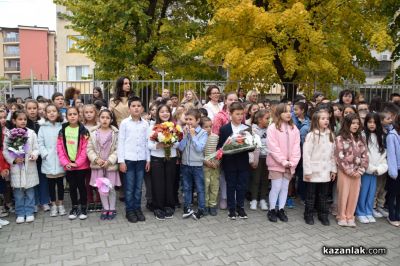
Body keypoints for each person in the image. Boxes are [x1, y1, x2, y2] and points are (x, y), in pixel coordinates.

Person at [117, 96, 150, 223]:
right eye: (133, 106)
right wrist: (121, 161)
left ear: (142, 108)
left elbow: (147, 143)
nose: (136, 108)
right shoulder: (125, 123)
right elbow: (121, 142)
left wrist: (148, 160)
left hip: (141, 160)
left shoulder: (145, 124)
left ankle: (137, 209)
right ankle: (129, 210)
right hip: (128, 160)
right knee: (129, 187)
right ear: (129, 108)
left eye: (138, 106)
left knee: (139, 187)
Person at [266, 103, 301, 223]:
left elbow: (297, 147)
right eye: (285, 111)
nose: (288, 114)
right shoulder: (272, 128)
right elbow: (273, 147)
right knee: (276, 187)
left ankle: (281, 209)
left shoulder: (294, 128)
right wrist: (282, 161)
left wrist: (293, 162)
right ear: (279, 113)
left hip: (290, 164)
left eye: (289, 111)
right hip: (277, 164)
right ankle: (271, 209)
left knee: (285, 187)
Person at [3, 110, 39, 224]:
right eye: (20, 119)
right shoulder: (9, 134)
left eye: (25, 119)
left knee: (30, 192)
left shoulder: (31, 133)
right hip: (16, 168)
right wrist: (13, 160)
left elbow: (36, 148)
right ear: (14, 121)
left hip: (29, 167)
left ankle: (29, 211)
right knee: (18, 193)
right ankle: (20, 212)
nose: (23, 121)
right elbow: (5, 151)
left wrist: (34, 155)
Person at [218, 102, 252, 220]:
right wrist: (224, 149)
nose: (240, 116)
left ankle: (240, 207)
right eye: (237, 114)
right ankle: (231, 208)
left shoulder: (246, 128)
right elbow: (220, 146)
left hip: (243, 162)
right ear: (230, 114)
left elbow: (251, 146)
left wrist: (251, 144)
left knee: (242, 185)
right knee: (231, 185)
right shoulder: (224, 129)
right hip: (230, 162)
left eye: (242, 114)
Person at [302, 110, 336, 225]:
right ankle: (308, 214)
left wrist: (333, 170)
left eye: (327, 118)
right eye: (323, 118)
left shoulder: (331, 134)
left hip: (326, 171)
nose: (326, 120)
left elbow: (333, 155)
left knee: (323, 195)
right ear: (316, 121)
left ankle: (323, 215)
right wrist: (307, 171)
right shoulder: (311, 135)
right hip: (313, 171)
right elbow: (306, 155)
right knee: (311, 195)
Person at [335, 113, 368, 227]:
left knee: (354, 194)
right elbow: (339, 157)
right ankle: (341, 216)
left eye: (358, 123)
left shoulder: (361, 138)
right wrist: (349, 171)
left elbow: (365, 156)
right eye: (353, 123)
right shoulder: (340, 138)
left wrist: (360, 171)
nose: (355, 125)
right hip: (345, 172)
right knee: (343, 194)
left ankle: (350, 216)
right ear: (347, 124)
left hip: (357, 172)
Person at [57, 107, 90, 220]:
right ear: (66, 116)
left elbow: (86, 149)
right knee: (72, 187)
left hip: (81, 166)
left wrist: (78, 163)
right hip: (69, 166)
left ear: (78, 115)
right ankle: (74, 206)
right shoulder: (62, 130)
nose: (72, 116)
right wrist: (66, 162)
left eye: (74, 114)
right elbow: (60, 148)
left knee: (82, 186)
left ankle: (83, 207)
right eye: (70, 114)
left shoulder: (84, 131)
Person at [87, 109, 120, 220]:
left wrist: (109, 161)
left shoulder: (115, 133)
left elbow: (117, 149)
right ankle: (105, 208)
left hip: (110, 166)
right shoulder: (93, 133)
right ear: (98, 119)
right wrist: (96, 159)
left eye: (107, 118)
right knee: (102, 188)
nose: (105, 120)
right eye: (102, 117)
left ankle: (112, 208)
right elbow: (89, 149)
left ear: (111, 120)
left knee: (111, 188)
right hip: (99, 166)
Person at [148, 104, 179, 220]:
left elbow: (178, 143)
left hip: (171, 157)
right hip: (157, 158)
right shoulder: (152, 127)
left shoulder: (175, 126)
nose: (165, 113)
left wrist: (171, 142)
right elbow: (149, 145)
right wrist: (159, 144)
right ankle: (158, 208)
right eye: (162, 111)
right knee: (158, 184)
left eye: (167, 111)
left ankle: (169, 206)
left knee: (170, 182)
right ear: (157, 114)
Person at [355, 113, 387, 224]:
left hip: (376, 171)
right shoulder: (362, 135)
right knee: (363, 191)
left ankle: (368, 211)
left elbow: (383, 154)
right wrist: (370, 167)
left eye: (374, 122)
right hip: (365, 170)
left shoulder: (381, 136)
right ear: (366, 123)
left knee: (372, 192)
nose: (372, 124)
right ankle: (360, 212)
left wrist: (379, 168)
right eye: (370, 122)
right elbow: (362, 154)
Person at [179, 109, 208, 220]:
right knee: (186, 187)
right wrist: (186, 135)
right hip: (185, 164)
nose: (188, 122)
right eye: (186, 119)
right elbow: (181, 148)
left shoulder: (203, 133)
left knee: (200, 188)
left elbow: (199, 148)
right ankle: (187, 207)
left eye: (191, 119)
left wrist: (193, 136)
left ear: (198, 120)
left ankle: (201, 209)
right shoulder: (185, 131)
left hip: (197, 166)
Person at [38, 104, 66, 217]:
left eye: (54, 111)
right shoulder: (43, 127)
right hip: (48, 160)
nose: (51, 113)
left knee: (60, 184)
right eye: (49, 111)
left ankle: (61, 204)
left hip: (60, 160)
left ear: (58, 113)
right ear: (45, 113)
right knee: (51, 185)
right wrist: (45, 155)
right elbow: (40, 143)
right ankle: (53, 205)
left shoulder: (62, 126)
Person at [26, 99, 50, 213]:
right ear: (25, 110)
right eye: (29, 109)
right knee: (32, 180)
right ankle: (35, 202)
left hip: (42, 156)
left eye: (34, 108)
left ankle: (44, 201)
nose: (32, 111)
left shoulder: (43, 122)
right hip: (29, 157)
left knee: (43, 179)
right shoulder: (24, 123)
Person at [249, 110, 270, 211]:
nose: (268, 120)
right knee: (255, 179)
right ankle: (253, 199)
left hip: (267, 158)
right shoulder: (252, 130)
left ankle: (262, 199)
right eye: (266, 118)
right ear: (259, 120)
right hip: (257, 159)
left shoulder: (270, 129)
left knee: (265, 180)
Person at [291, 101, 310, 205]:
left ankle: (302, 195)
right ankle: (292, 193)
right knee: (293, 173)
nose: (294, 111)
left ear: (302, 110)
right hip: (295, 149)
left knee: (302, 173)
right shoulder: (293, 120)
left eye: (296, 109)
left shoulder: (308, 121)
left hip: (303, 151)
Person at [201, 117, 220, 216]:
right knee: (205, 186)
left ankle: (212, 205)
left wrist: (217, 162)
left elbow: (219, 151)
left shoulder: (216, 137)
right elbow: (198, 153)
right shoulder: (199, 138)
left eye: (210, 126)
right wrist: (205, 161)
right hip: (204, 166)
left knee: (214, 186)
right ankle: (205, 205)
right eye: (205, 127)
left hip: (215, 166)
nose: (208, 129)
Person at [386, 115, 400, 226]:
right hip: (396, 170)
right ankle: (391, 215)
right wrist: (393, 172)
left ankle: (398, 214)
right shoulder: (392, 135)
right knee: (393, 194)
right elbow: (391, 155)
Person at [0, 109, 10, 227]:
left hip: (3, 166)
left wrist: (5, 167)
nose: (3, 120)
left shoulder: (6, 132)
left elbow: (4, 153)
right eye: (0, 117)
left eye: (4, 117)